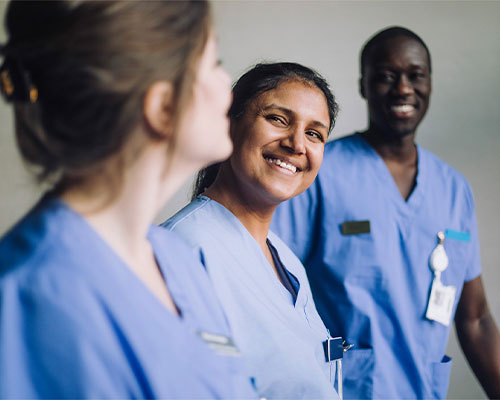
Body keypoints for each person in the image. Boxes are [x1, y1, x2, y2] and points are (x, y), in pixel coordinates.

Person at [0, 1, 257, 398]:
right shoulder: (34, 296)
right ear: (163, 107)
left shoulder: (175, 259)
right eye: (214, 64)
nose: (228, 88)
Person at [272, 26, 500, 399]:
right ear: (363, 85)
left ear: (430, 83)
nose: (403, 89)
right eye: (386, 77)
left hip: (424, 389)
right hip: (342, 388)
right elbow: (275, 290)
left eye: (415, 76)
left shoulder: (454, 189)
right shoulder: (320, 172)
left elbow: (475, 319)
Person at [163, 62, 342, 399]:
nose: (296, 144)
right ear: (229, 125)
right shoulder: (181, 249)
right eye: (278, 119)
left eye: (314, 133)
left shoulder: (286, 261)